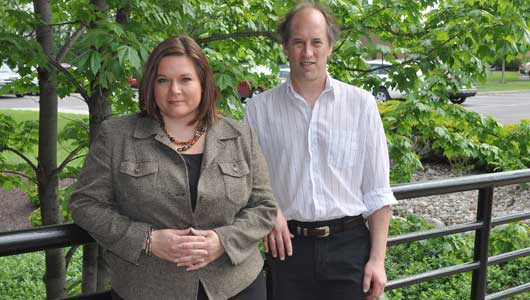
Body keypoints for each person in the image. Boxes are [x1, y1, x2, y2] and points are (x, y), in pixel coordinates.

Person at [70, 35, 277, 300]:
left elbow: (264, 206)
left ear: (203, 82)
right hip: (148, 289)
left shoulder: (240, 135)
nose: (174, 90)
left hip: (237, 286)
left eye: (185, 79)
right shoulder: (116, 136)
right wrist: (147, 240)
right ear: (150, 86)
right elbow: (85, 205)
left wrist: (223, 241)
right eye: (163, 80)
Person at [244, 3, 397, 300]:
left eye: (316, 42)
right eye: (298, 42)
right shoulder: (258, 110)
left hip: (350, 248)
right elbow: (248, 180)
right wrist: (271, 211)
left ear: (330, 47)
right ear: (286, 48)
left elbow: (378, 191)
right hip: (287, 249)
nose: (307, 52)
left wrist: (377, 261)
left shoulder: (361, 105)